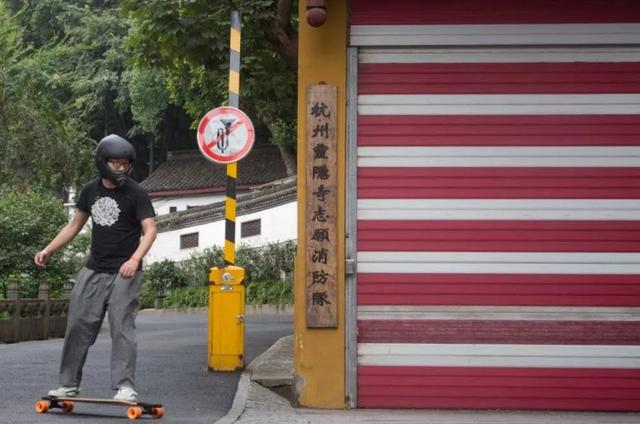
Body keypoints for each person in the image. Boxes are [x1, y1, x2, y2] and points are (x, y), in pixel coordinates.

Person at [34, 134, 157, 402]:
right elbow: (73, 225)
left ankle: (125, 387)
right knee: (78, 325)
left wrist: (134, 259)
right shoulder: (90, 191)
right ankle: (68, 384)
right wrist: (48, 249)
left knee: (121, 326)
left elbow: (150, 230)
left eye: (125, 164)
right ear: (103, 163)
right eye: (116, 164)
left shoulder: (136, 193)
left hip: (125, 271)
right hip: (93, 269)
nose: (121, 168)